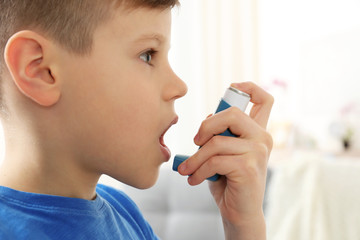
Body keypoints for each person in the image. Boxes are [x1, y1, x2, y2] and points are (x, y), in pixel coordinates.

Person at [0, 0, 274, 239]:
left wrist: (243, 225)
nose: (179, 87)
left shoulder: (125, 213)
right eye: (148, 55)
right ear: (40, 70)